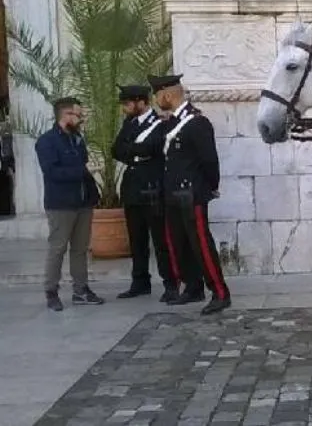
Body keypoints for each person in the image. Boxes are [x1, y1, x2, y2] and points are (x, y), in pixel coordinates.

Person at [148, 74, 231, 315]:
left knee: (201, 244)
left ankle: (220, 292)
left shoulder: (196, 122)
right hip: (172, 193)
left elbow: (209, 160)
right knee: (179, 243)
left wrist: (209, 188)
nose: (156, 100)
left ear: (167, 94)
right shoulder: (172, 123)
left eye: (157, 96)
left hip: (191, 194)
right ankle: (193, 286)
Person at [35, 96, 104, 311]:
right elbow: (52, 172)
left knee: (80, 249)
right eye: (77, 114)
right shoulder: (46, 141)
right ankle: (51, 292)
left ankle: (81, 290)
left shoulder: (77, 139)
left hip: (83, 202)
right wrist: (84, 171)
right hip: (61, 204)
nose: (80, 118)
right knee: (57, 248)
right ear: (65, 116)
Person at [111, 84, 179, 302]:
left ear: (142, 102)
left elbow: (152, 148)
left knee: (161, 242)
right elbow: (117, 150)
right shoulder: (129, 124)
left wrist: (134, 151)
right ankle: (140, 282)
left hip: (152, 189)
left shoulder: (159, 123)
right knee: (136, 241)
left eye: (128, 103)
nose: (125, 108)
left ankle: (171, 283)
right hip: (132, 190)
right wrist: (136, 152)